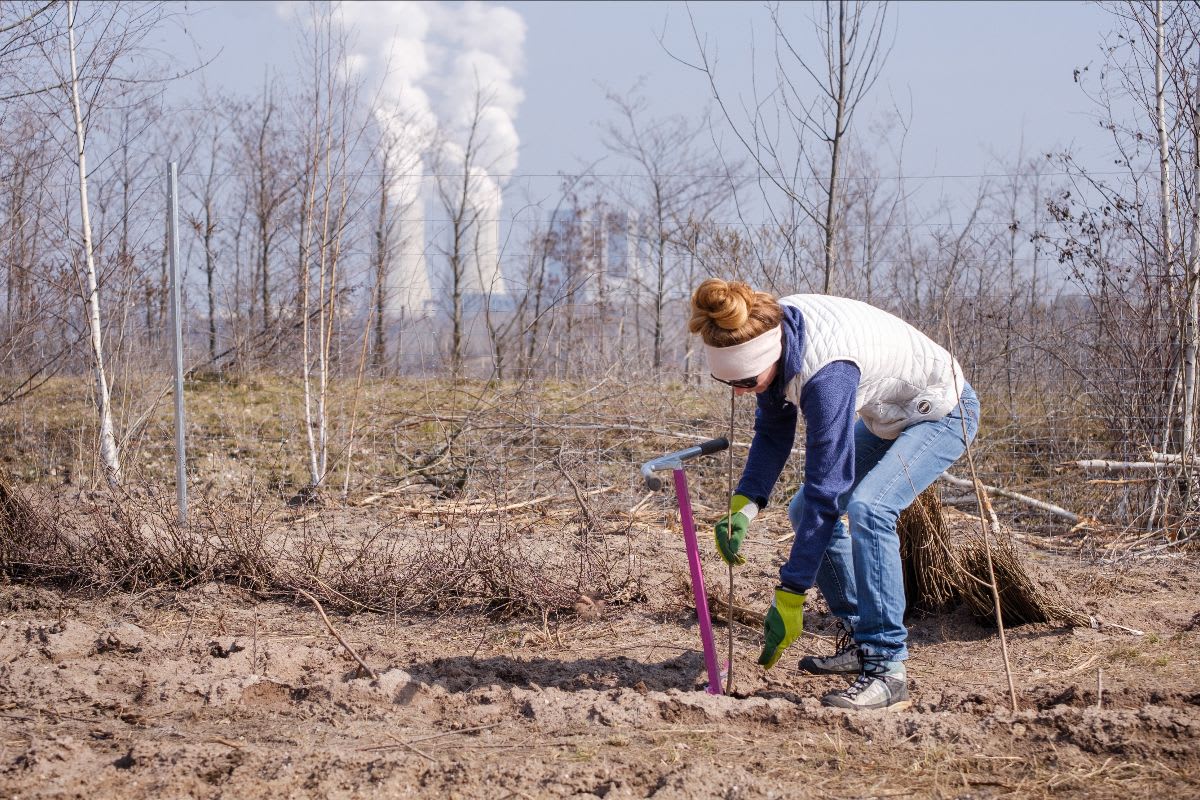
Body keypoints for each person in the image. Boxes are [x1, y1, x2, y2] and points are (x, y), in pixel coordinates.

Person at [688, 278, 980, 711]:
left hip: (943, 410)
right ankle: (862, 638)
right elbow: (772, 432)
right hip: (891, 415)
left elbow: (830, 492)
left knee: (869, 508)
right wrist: (744, 507)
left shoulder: (827, 377)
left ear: (767, 358)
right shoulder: (766, 329)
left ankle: (886, 667)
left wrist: (791, 593)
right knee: (801, 507)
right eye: (728, 382)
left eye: (747, 381)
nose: (740, 391)